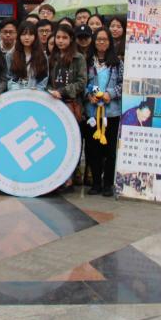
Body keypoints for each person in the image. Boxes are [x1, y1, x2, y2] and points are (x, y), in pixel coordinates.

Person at [48, 25, 88, 190]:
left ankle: (69, 176)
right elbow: (47, 80)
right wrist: (49, 91)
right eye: (58, 37)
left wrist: (62, 91)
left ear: (71, 39)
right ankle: (56, 176)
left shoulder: (79, 58)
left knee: (72, 141)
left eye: (64, 38)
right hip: (53, 104)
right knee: (55, 141)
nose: (60, 41)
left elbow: (82, 82)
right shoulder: (52, 57)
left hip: (71, 104)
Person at [84, 29, 122, 196]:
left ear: (110, 42)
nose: (101, 42)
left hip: (111, 112)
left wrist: (110, 94)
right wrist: (88, 95)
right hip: (92, 112)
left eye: (105, 39)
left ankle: (108, 184)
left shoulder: (117, 63)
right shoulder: (87, 62)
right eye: (98, 39)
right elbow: (82, 83)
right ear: (94, 41)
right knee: (93, 150)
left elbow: (123, 84)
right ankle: (96, 183)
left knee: (110, 150)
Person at [7, 20, 49, 91]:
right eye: (23, 34)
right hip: (16, 93)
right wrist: (17, 89)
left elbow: (44, 78)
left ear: (35, 36)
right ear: (19, 36)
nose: (27, 37)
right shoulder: (11, 55)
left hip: (36, 93)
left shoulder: (42, 55)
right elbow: (10, 77)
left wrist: (38, 89)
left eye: (30, 34)